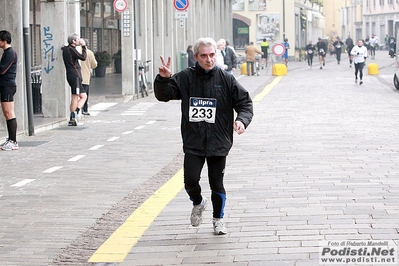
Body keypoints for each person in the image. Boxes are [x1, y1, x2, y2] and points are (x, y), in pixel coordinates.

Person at [154, 37, 253, 235]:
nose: (208, 59)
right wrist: (164, 79)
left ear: (216, 54)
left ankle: (218, 220)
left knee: (216, 182)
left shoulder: (226, 79)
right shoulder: (185, 77)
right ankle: (198, 202)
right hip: (194, 140)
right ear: (196, 56)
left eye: (212, 55)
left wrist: (242, 120)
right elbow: (164, 95)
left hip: (219, 141)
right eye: (204, 56)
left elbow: (245, 103)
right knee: (190, 181)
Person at [62, 33, 87, 126]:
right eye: (77, 39)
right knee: (75, 96)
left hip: (73, 75)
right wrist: (84, 46)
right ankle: (72, 118)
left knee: (83, 96)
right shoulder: (71, 50)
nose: (79, 41)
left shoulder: (66, 49)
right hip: (75, 75)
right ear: (73, 41)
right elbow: (83, 57)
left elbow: (63, 47)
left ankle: (75, 113)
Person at [0, 30, 18, 151]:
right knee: (6, 113)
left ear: (4, 41)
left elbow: (2, 69)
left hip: (8, 85)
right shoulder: (6, 52)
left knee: (9, 113)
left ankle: (13, 141)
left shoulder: (10, 53)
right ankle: (10, 139)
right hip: (4, 85)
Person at [80, 39, 97, 116]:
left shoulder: (76, 51)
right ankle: (85, 109)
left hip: (76, 76)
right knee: (85, 94)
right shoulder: (89, 53)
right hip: (85, 77)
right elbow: (94, 65)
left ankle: (78, 109)